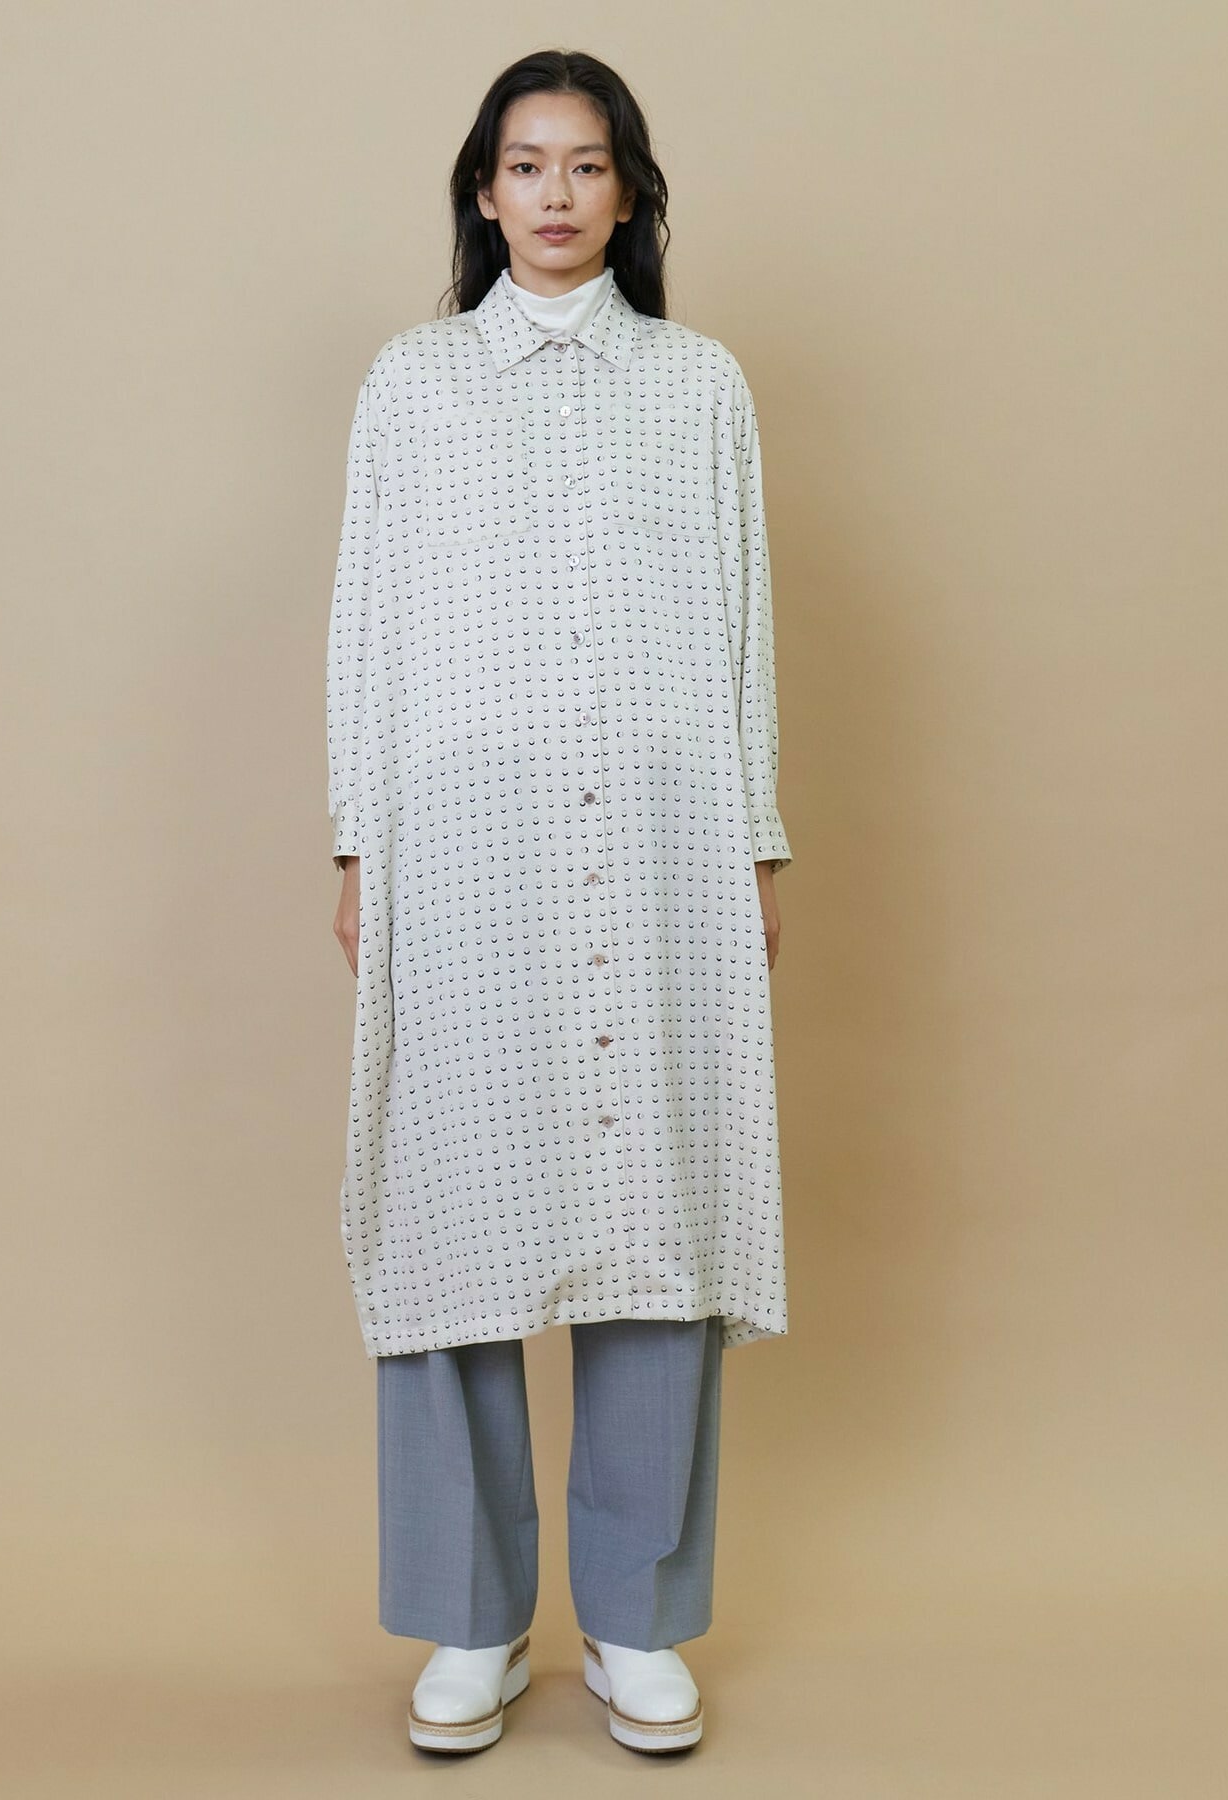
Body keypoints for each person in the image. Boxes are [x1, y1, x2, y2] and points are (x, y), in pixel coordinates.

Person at [324, 48, 793, 1756]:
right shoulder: (413, 381)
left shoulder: (699, 385)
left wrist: (755, 839)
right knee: (455, 1209)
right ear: (484, 188)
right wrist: (357, 840)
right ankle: (473, 1620)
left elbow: (741, 621)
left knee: (655, 1199)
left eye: (587, 165)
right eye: (526, 165)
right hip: (464, 841)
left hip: (663, 837)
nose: (556, 194)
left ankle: (637, 1620)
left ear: (630, 192)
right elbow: (366, 620)